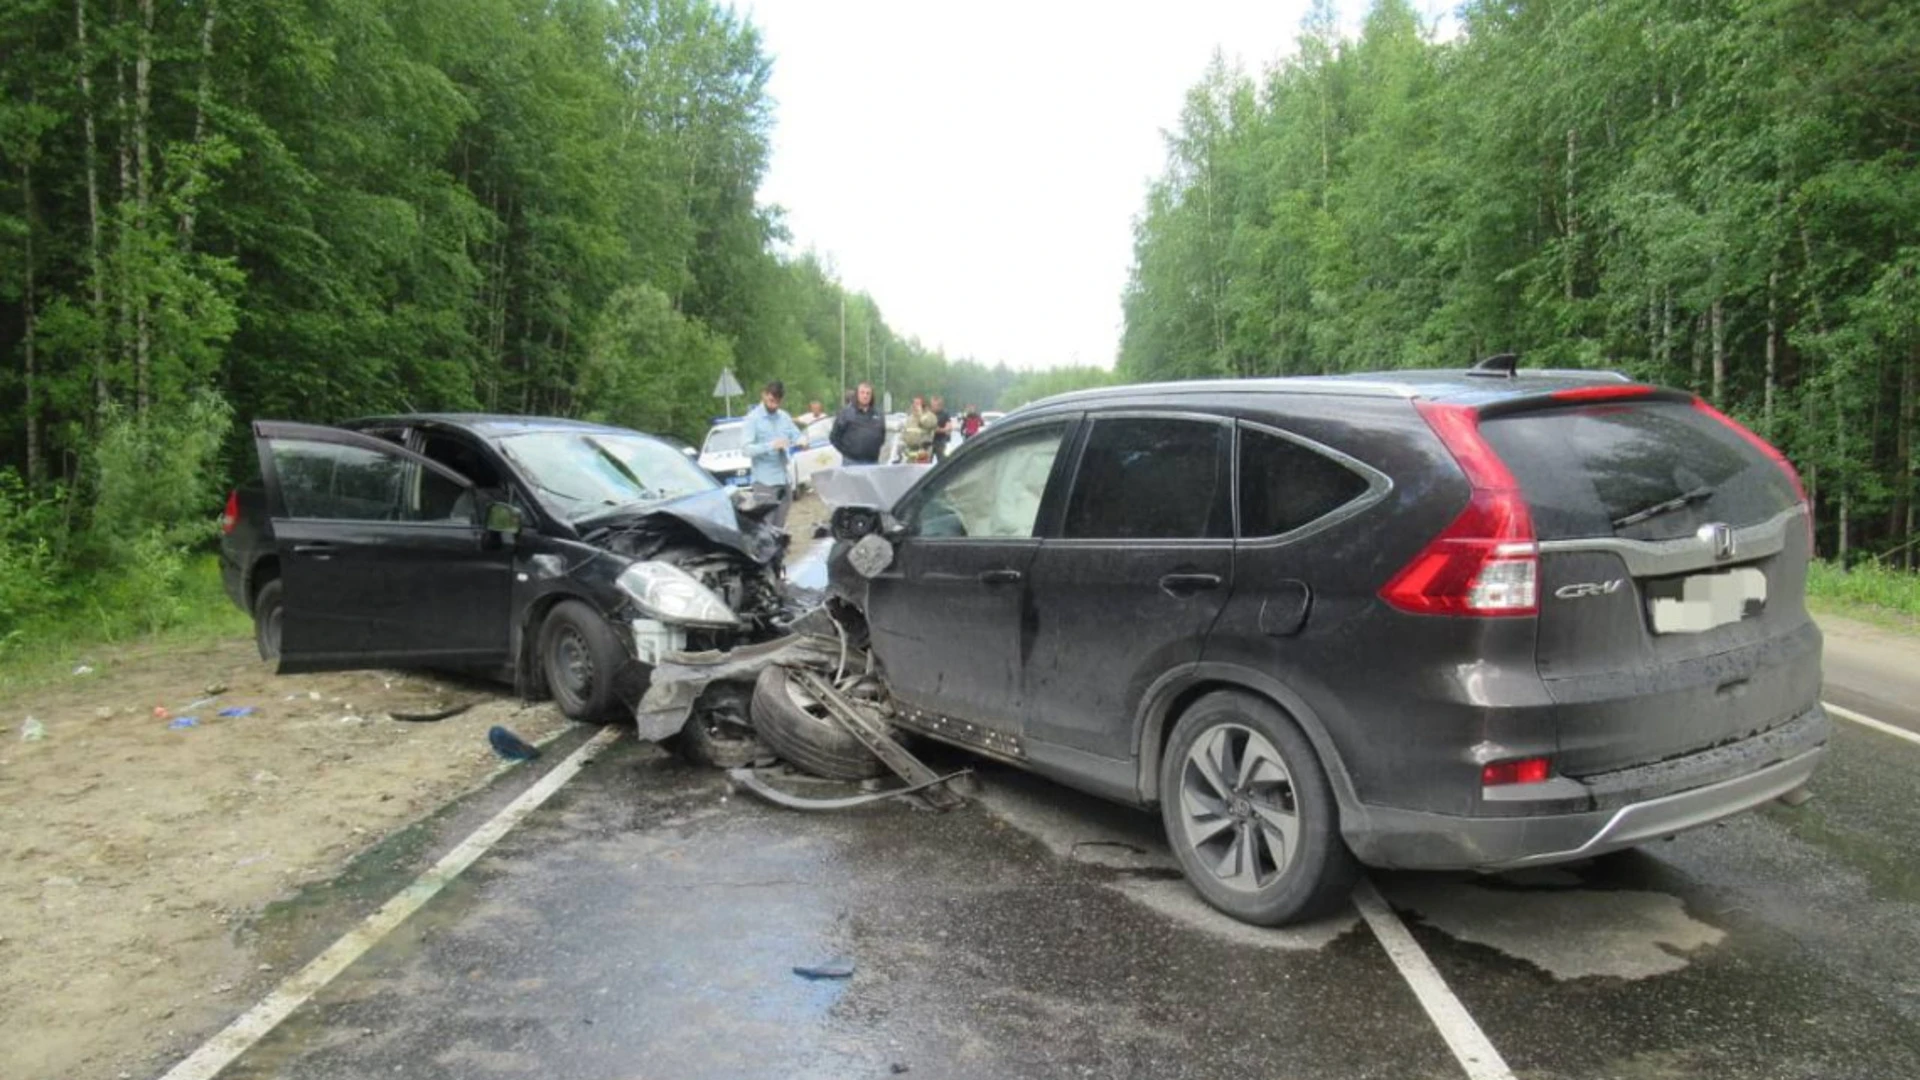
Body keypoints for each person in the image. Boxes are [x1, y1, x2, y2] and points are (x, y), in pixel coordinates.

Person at [742, 379, 807, 527]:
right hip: (765, 483)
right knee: (766, 527)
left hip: (784, 481)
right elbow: (745, 449)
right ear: (764, 395)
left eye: (777, 401)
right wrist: (770, 445)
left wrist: (802, 441)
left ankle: (779, 549)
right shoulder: (753, 419)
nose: (773, 404)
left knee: (780, 528)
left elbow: (796, 435)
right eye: (771, 400)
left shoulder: (784, 417)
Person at [831, 381, 886, 465]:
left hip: (872, 462)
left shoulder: (878, 414)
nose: (865, 396)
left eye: (868, 393)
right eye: (862, 393)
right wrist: (847, 452)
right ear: (857, 395)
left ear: (871, 396)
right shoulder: (846, 413)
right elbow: (834, 437)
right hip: (851, 462)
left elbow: (882, 436)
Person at [901, 395, 936, 463]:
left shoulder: (930, 416)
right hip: (910, 454)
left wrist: (920, 415)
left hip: (924, 453)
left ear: (923, 405)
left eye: (917, 404)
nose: (915, 406)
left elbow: (929, 424)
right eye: (914, 403)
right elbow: (905, 432)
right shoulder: (910, 418)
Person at [929, 395, 954, 463]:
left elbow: (949, 427)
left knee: (943, 462)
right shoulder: (928, 413)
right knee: (926, 463)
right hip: (928, 442)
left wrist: (944, 429)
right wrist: (943, 430)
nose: (934, 407)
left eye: (938, 405)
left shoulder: (945, 413)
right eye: (933, 405)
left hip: (941, 441)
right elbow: (931, 429)